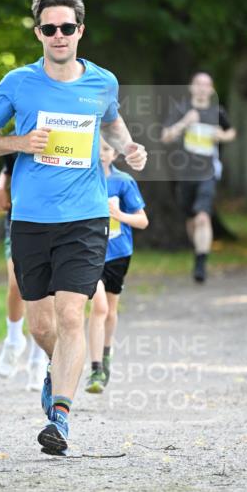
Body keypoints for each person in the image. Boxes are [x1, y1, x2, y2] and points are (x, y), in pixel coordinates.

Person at [0, 0, 147, 455]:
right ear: (38, 33)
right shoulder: (17, 83)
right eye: (49, 28)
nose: (58, 35)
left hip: (86, 217)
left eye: (66, 27)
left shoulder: (102, 82)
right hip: (31, 219)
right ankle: (59, 369)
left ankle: (61, 418)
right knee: (41, 325)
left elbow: (111, 121)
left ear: (80, 31)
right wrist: (20, 143)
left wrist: (129, 147)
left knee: (72, 314)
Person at [86, 138, 149, 394]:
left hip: (118, 253)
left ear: (114, 154)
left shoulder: (123, 182)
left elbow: (143, 221)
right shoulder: (82, 180)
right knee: (99, 307)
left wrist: (119, 215)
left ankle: (106, 352)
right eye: (97, 148)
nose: (101, 153)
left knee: (110, 311)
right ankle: (95, 369)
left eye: (107, 149)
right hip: (89, 254)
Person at [161, 72, 236, 283]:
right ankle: (198, 251)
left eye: (207, 85)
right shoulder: (181, 110)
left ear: (211, 90)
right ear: (191, 87)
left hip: (208, 172)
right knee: (192, 219)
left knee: (203, 216)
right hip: (185, 173)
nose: (202, 88)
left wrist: (221, 135)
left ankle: (201, 263)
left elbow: (231, 132)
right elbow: (165, 137)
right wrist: (185, 123)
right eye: (198, 84)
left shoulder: (217, 112)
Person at [0, 154, 49, 388]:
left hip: (56, 219)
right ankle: (14, 339)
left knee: (47, 292)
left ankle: (38, 360)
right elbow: (9, 163)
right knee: (17, 283)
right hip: (19, 218)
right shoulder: (19, 137)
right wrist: (1, 184)